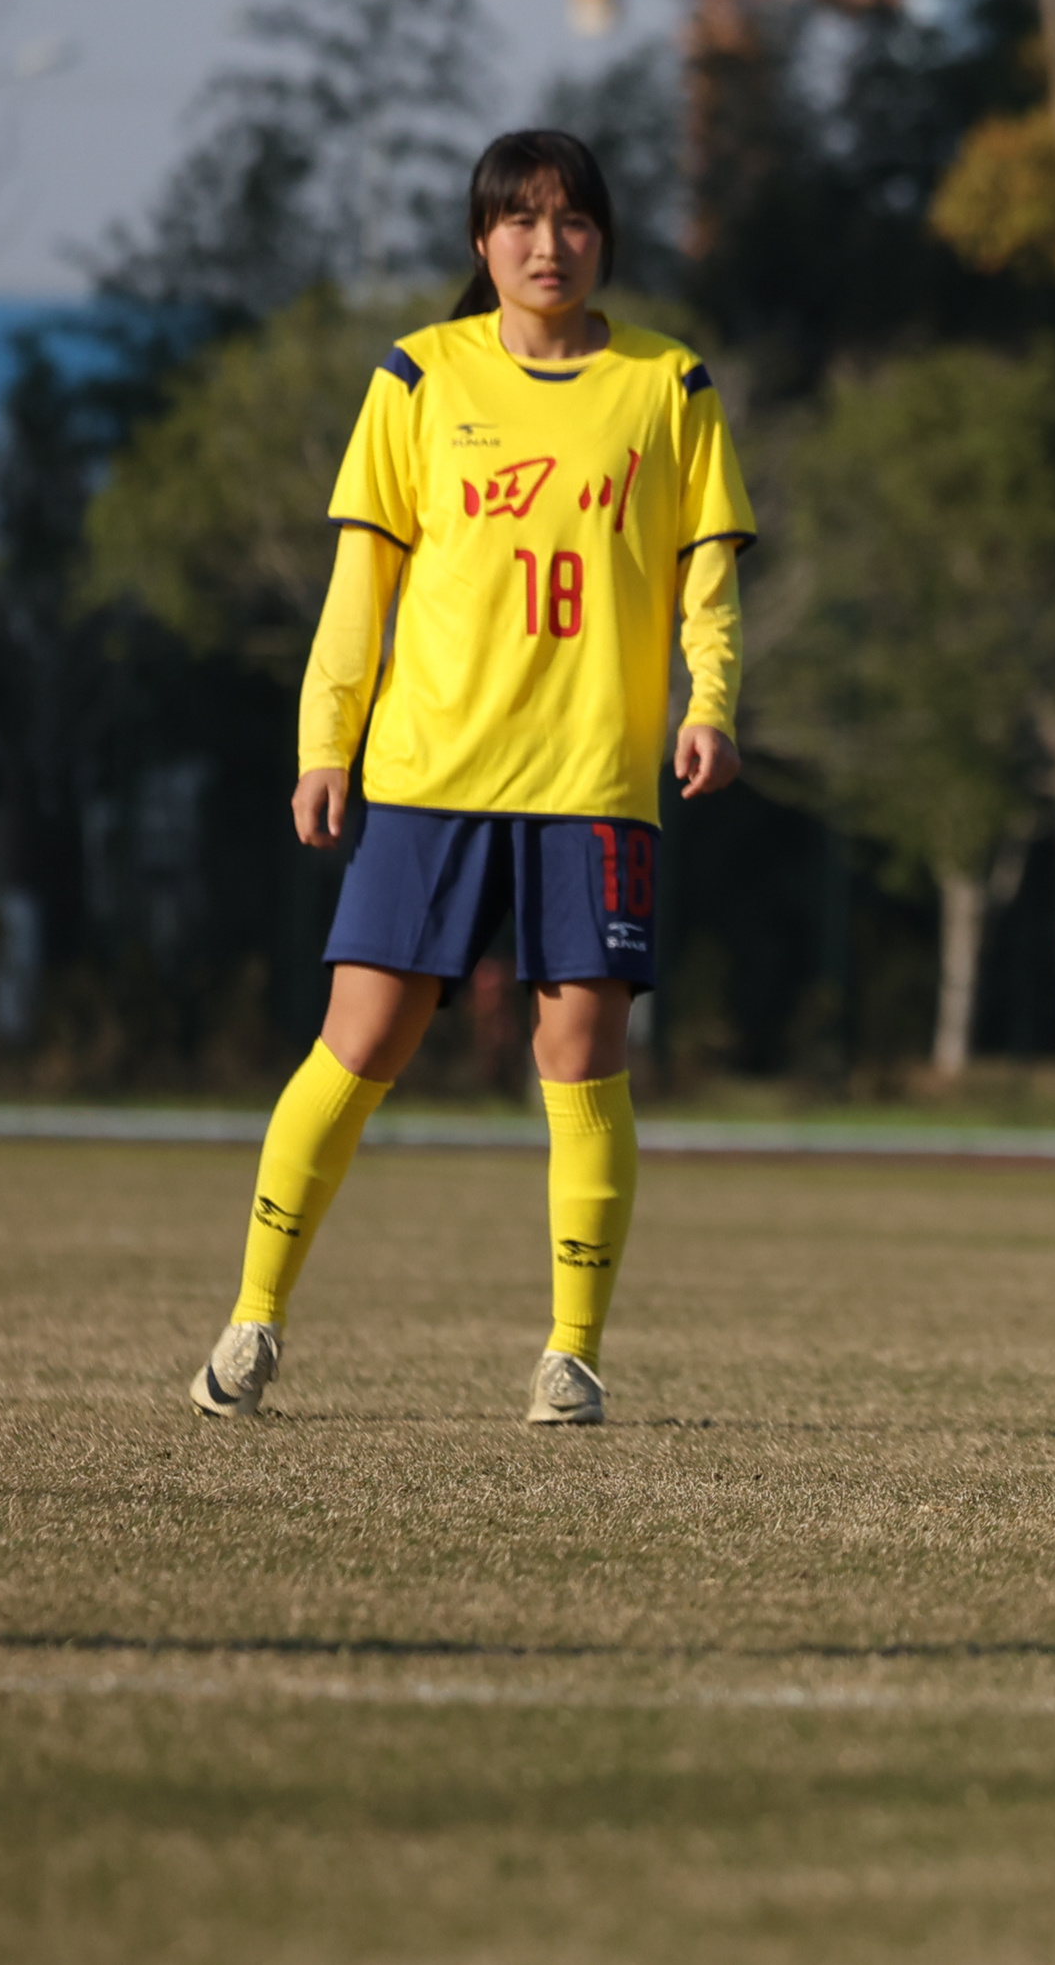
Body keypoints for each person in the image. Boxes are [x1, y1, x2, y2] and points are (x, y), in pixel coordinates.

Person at [185, 129, 753, 1426]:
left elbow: (707, 581)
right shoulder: (418, 376)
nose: (546, 243)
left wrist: (710, 704)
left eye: (571, 219)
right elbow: (359, 589)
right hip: (433, 768)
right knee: (361, 1039)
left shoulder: (671, 385)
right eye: (519, 220)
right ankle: (253, 1317)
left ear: (604, 237)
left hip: (595, 778)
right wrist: (324, 741)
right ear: (480, 242)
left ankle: (573, 1352)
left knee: (581, 1053)